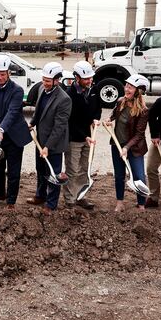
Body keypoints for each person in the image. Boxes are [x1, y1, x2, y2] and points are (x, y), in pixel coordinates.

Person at [0, 55, 32, 210]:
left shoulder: (17, 90)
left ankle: (11, 200)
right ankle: (0, 194)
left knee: (13, 171)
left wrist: (2, 129)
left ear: (9, 73)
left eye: (2, 74)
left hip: (14, 137)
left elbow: (12, 112)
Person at [27, 61, 72, 213]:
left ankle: (51, 204)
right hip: (40, 139)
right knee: (40, 169)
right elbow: (38, 110)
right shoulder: (41, 89)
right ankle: (40, 195)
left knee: (53, 173)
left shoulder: (64, 99)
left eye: (47, 81)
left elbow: (59, 127)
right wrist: (32, 123)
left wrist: (47, 146)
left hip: (54, 143)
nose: (44, 83)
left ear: (57, 80)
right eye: (43, 79)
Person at [104, 74, 149, 211]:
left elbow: (139, 135)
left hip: (134, 148)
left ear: (138, 91)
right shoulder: (120, 101)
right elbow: (115, 113)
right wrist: (109, 119)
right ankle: (120, 203)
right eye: (127, 86)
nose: (127, 89)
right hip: (117, 145)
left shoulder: (143, 111)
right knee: (119, 175)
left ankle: (141, 204)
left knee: (139, 176)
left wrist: (126, 147)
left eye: (131, 87)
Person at [62, 60, 102, 209]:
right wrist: (84, 136)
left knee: (85, 168)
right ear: (77, 78)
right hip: (74, 138)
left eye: (91, 78)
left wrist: (95, 119)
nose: (89, 81)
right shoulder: (69, 95)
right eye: (86, 78)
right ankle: (70, 199)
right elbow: (70, 120)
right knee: (73, 169)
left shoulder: (93, 90)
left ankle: (80, 196)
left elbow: (98, 107)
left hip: (89, 136)